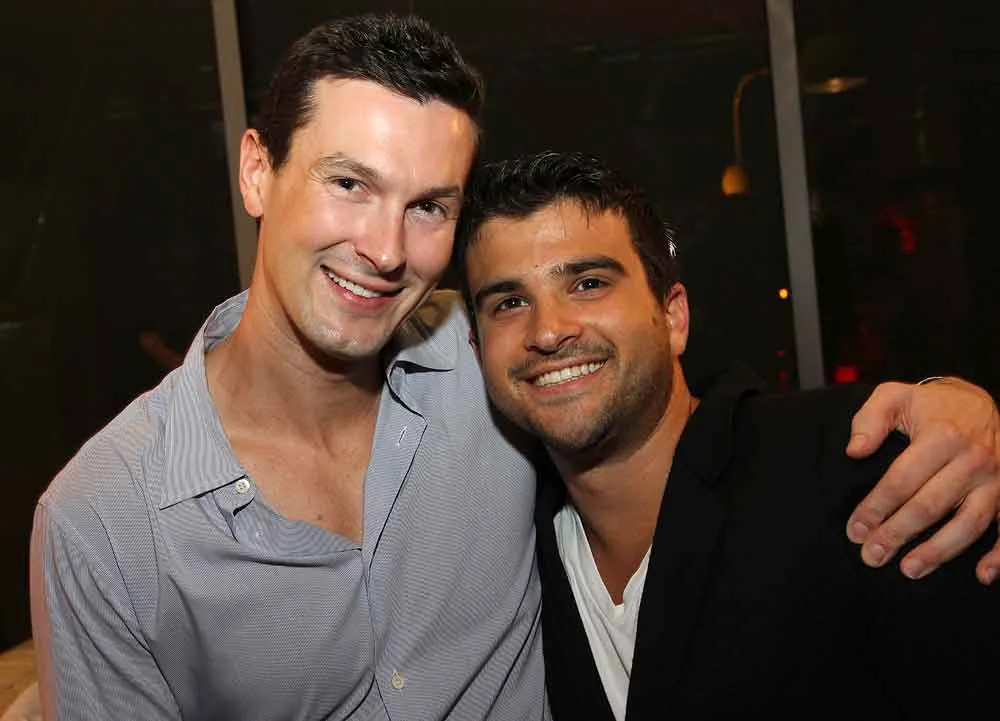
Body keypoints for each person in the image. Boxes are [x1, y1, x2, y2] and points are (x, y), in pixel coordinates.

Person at [26, 14, 1000, 721]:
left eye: (428, 206)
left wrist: (959, 405)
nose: (383, 248)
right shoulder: (104, 521)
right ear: (256, 171)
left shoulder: (488, 369)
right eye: (349, 183)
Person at [455, 150, 1000, 719]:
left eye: (589, 283)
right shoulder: (511, 548)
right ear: (477, 348)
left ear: (673, 317)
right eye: (509, 302)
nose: (547, 331)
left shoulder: (859, 472)